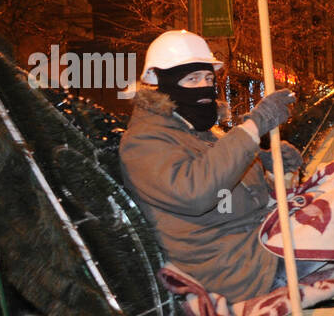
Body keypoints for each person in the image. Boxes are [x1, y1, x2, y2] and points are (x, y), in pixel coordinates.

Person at [119, 29, 299, 302]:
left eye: (208, 78)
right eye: (192, 79)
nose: (204, 86)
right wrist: (254, 126)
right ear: (161, 85)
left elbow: (223, 172)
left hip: (259, 242)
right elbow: (197, 191)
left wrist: (264, 159)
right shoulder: (144, 140)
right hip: (233, 269)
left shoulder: (200, 132)